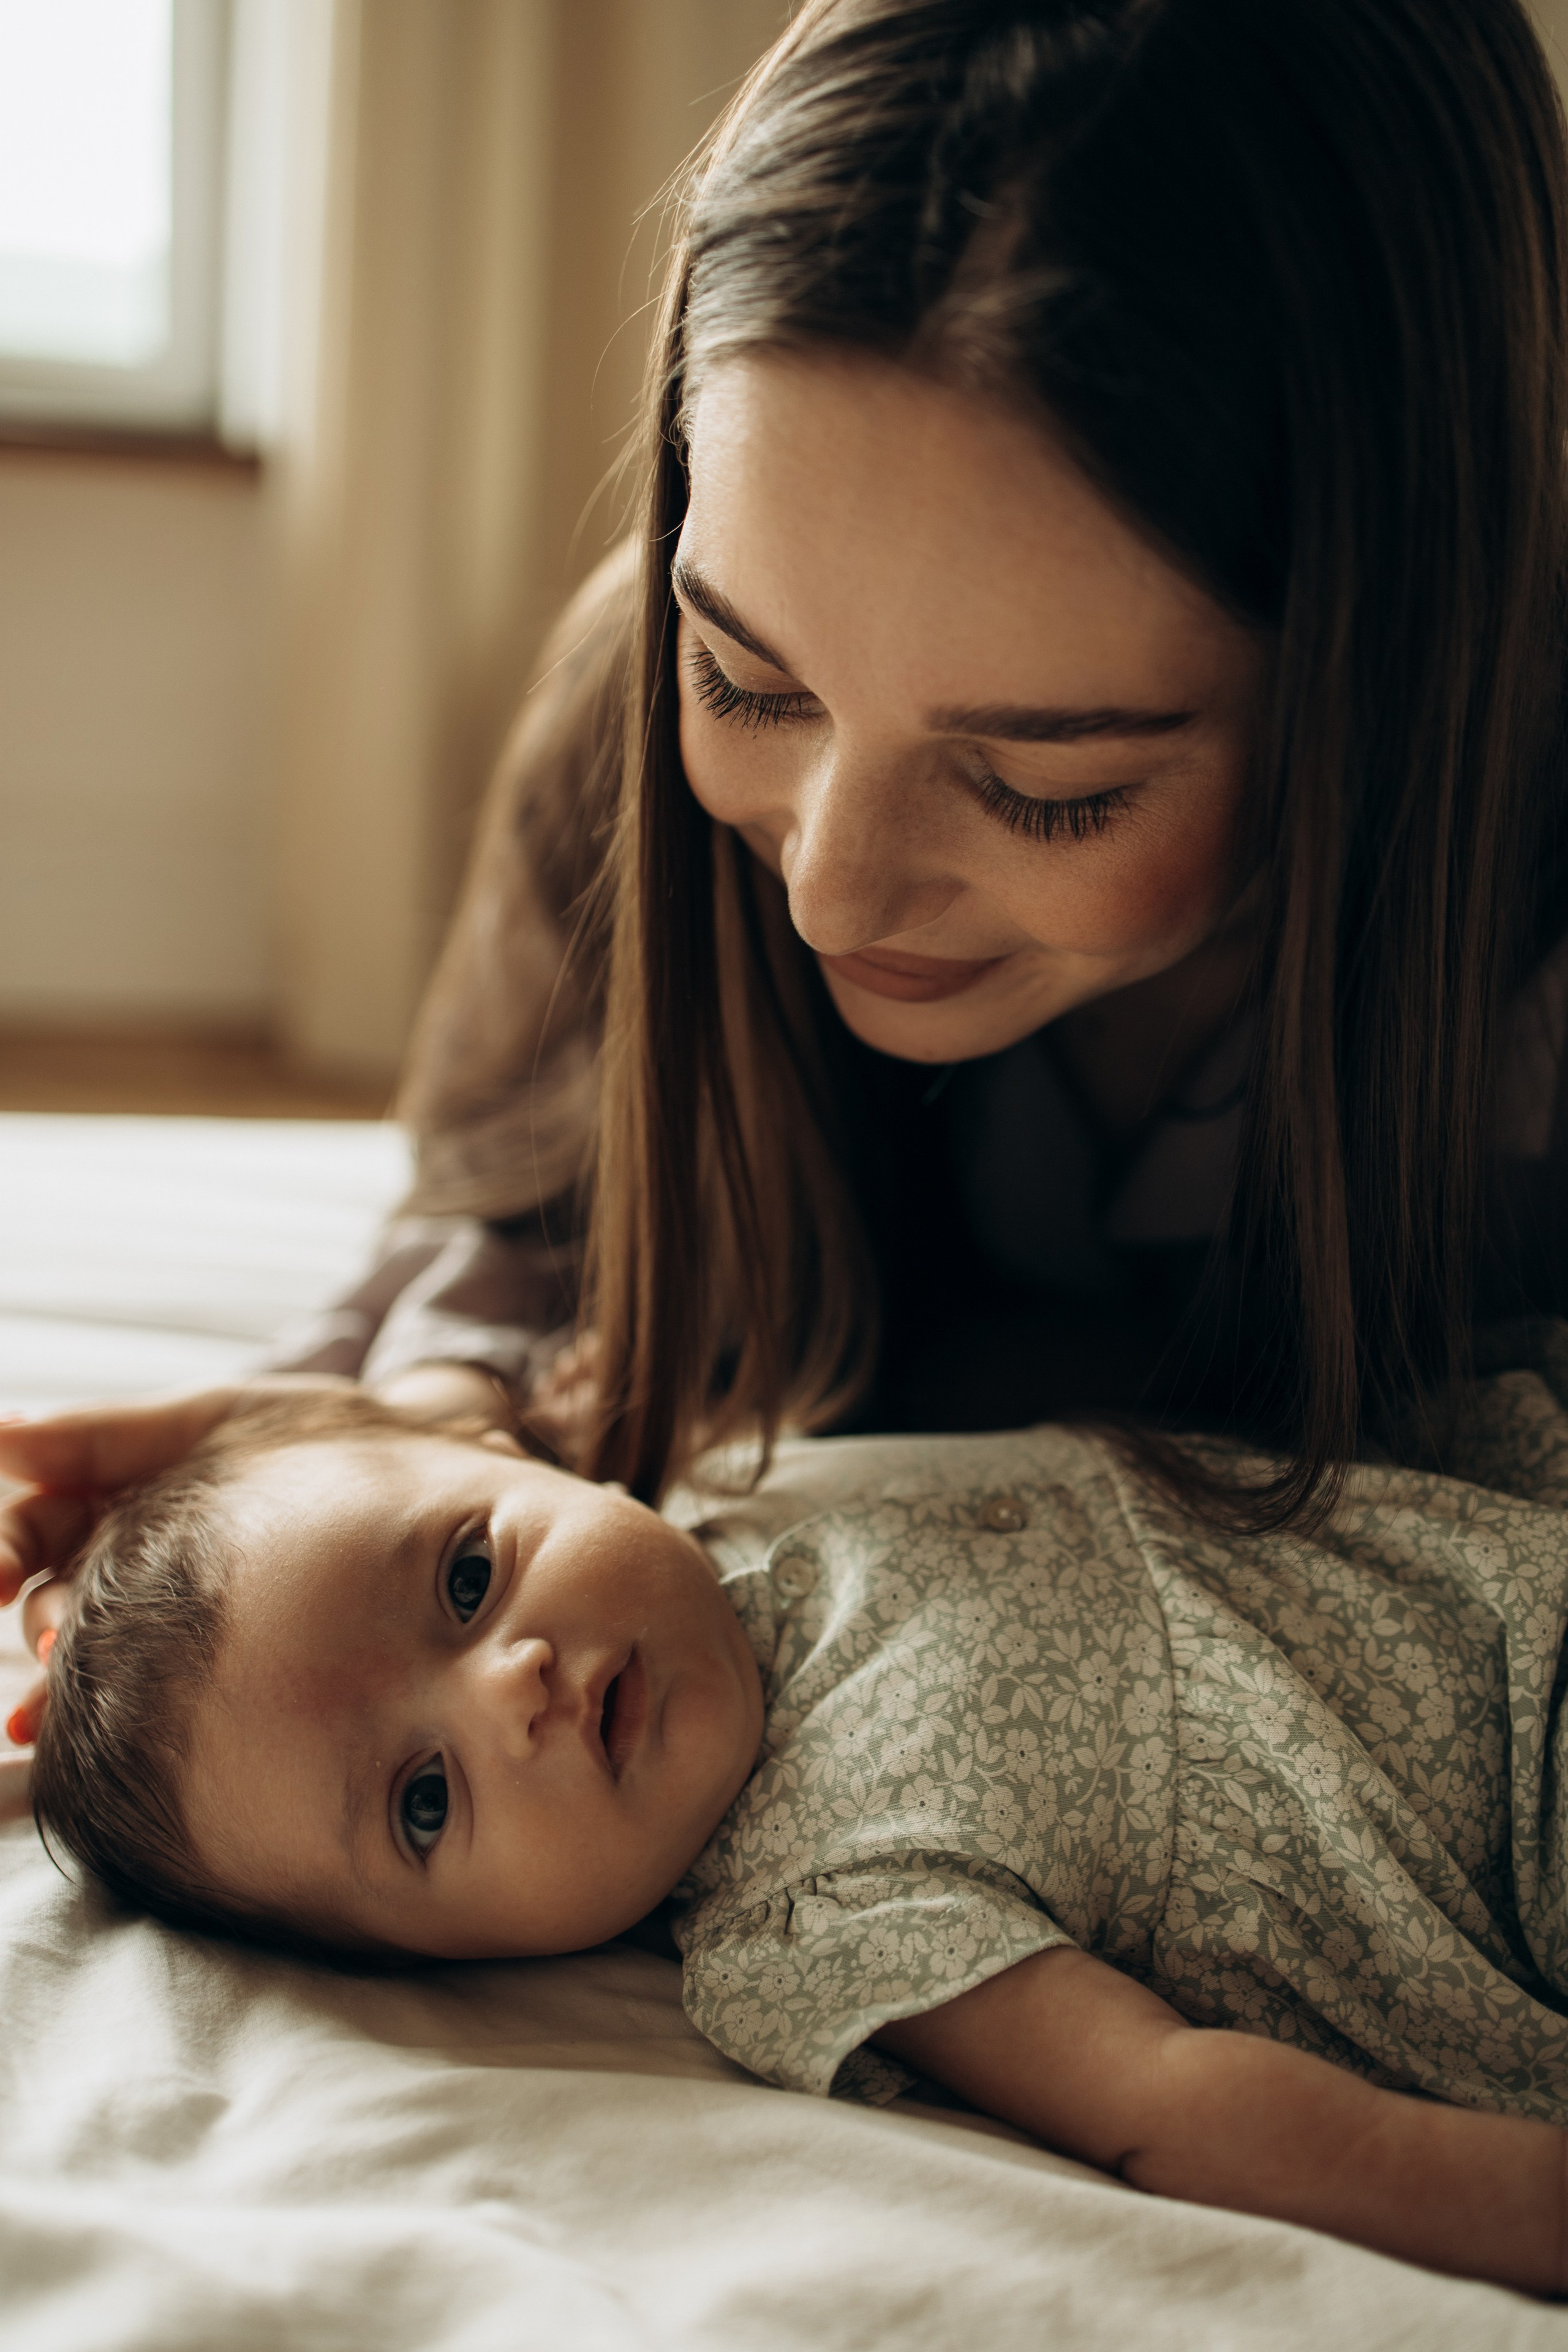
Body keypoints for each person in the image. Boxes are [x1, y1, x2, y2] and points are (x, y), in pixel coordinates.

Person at [7, 0, 1568, 1663]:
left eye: (1049, 786)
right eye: (748, 681)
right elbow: (539, 1214)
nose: (830, 887)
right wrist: (437, 1414)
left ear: (1398, 673)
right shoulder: (621, 694)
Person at [25, 1342, 1568, 2298]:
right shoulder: (816, 1921)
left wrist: (373, 1408)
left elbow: (532, 1376)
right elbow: (1165, 2099)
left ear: (509, 1467)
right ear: (438, 1957)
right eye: (425, 1804)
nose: (515, 1690)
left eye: (466, 1578)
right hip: (1505, 1831)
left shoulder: (723, 1470)